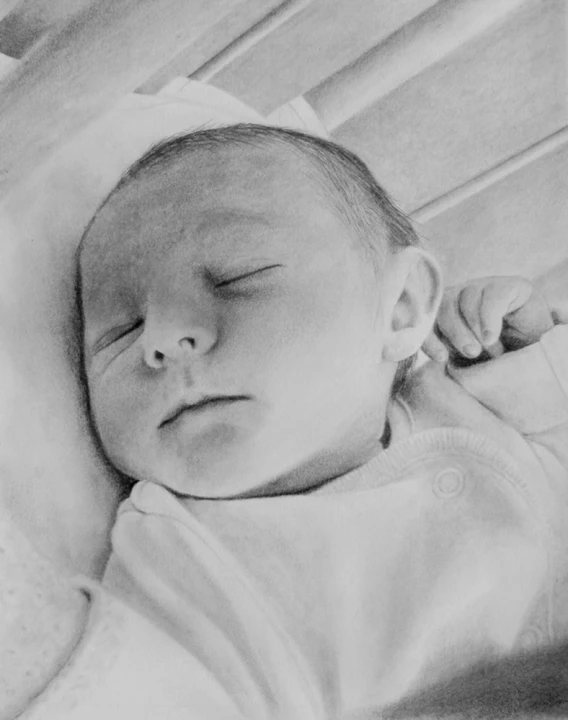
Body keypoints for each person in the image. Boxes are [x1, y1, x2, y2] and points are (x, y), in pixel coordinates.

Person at [6, 122, 567, 719]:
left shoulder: (476, 403)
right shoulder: (180, 552)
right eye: (121, 330)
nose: (163, 339)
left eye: (237, 278)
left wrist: (534, 352)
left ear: (401, 308)